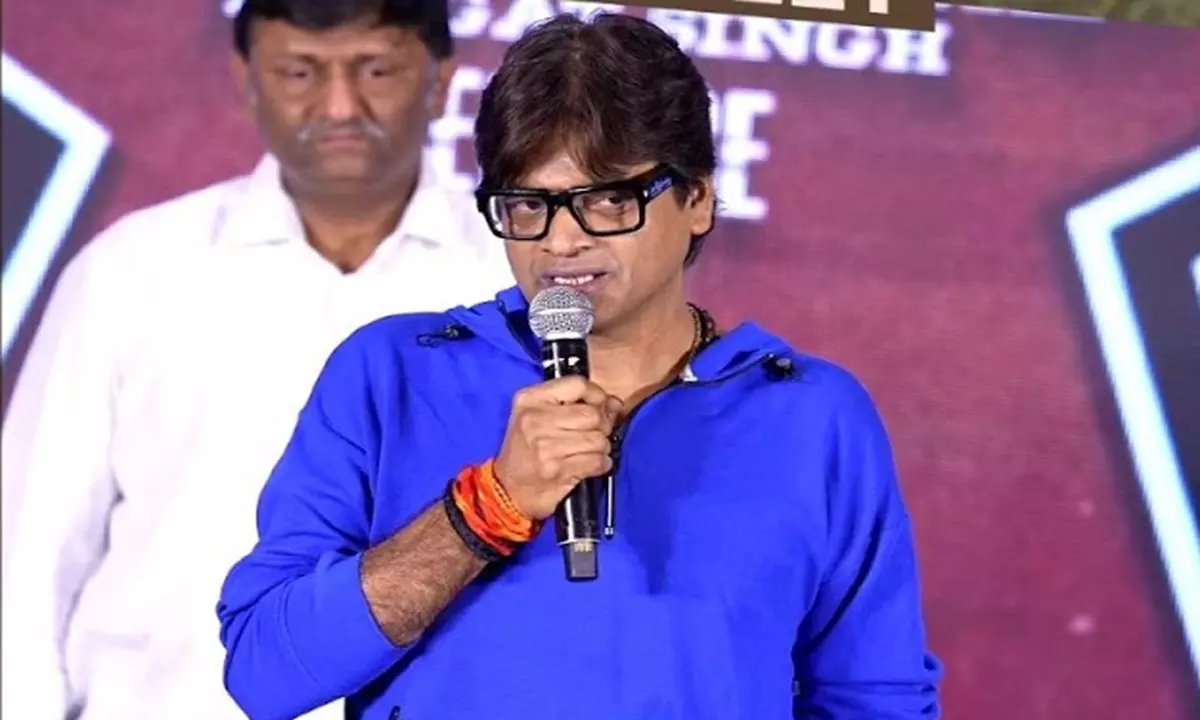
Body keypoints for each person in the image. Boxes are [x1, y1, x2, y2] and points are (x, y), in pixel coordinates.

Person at [217, 12, 944, 720]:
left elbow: (874, 698)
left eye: (607, 200)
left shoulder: (811, 415)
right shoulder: (392, 375)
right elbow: (263, 674)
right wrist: (487, 507)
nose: (561, 242)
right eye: (527, 206)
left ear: (697, 199)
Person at [0, 1, 513, 719]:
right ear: (245, 78)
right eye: (300, 72)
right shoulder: (132, 270)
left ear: (441, 80)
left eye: (375, 70)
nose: (340, 105)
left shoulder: (510, 276)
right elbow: (30, 550)